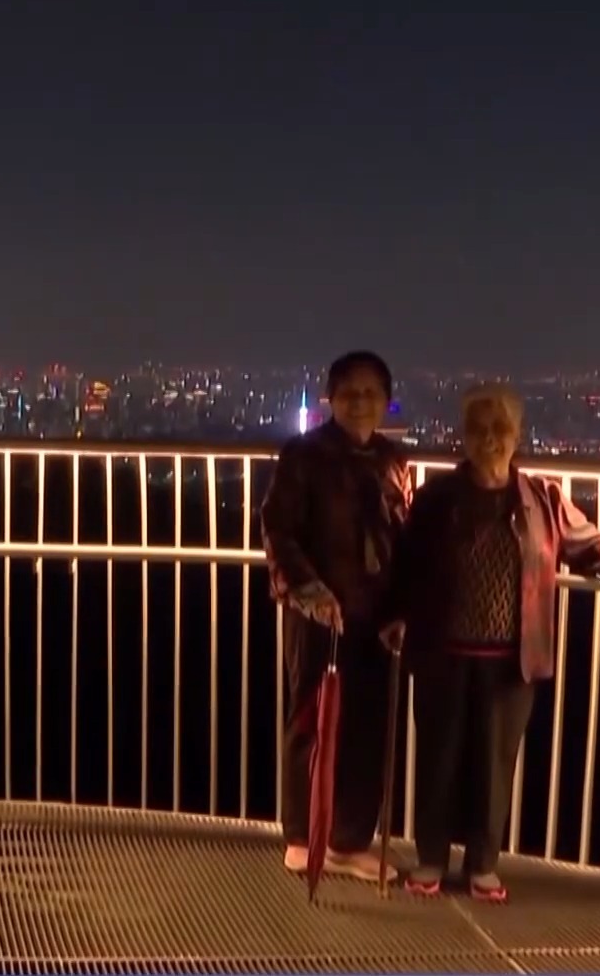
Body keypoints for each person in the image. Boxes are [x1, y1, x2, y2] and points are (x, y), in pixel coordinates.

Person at [376, 381, 600, 902]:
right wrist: (395, 614)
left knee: (495, 764)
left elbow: (589, 544)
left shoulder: (542, 498)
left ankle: (482, 864)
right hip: (442, 652)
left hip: (512, 658)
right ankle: (430, 858)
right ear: (463, 436)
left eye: (500, 428)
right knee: (438, 758)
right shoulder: (435, 499)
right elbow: (406, 566)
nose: (489, 439)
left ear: (517, 435)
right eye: (479, 429)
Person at [258, 351, 413, 882]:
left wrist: (400, 609)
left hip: (376, 615)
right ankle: (303, 837)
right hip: (320, 613)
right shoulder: (305, 455)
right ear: (331, 398)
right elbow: (278, 527)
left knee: (368, 728)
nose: (360, 402)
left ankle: (348, 840)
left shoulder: (392, 460)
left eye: (371, 393)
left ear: (386, 400)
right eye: (349, 392)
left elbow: (403, 540)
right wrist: (310, 592)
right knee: (313, 720)